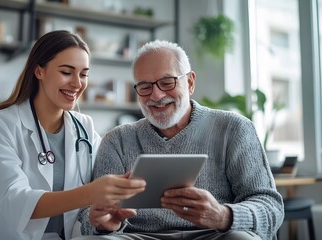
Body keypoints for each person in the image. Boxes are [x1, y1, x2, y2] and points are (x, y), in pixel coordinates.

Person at [75, 40, 284, 240]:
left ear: (190, 82)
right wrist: (102, 223)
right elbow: (89, 214)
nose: (156, 96)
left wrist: (222, 215)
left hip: (216, 234)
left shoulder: (233, 128)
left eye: (167, 82)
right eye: (145, 87)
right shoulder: (117, 140)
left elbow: (270, 207)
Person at [0, 30, 146, 240]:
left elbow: (93, 198)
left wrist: (103, 218)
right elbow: (14, 201)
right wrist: (91, 192)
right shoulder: (2, 124)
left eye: (84, 74)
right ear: (39, 71)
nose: (77, 83)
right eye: (67, 72)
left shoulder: (84, 127)